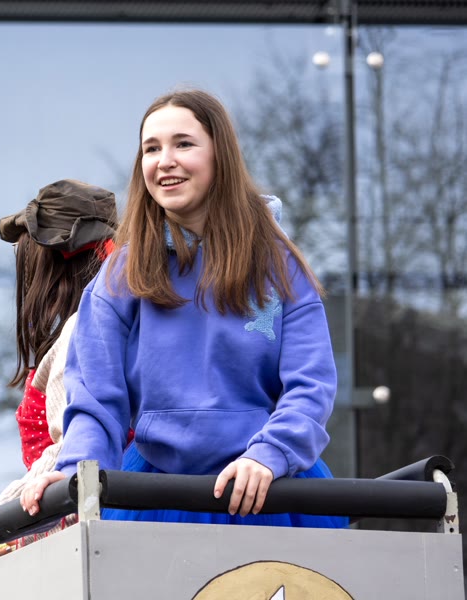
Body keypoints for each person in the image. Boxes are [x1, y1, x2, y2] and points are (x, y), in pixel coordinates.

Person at [20, 89, 347, 529]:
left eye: (183, 144)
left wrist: (271, 453)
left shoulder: (279, 265)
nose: (165, 161)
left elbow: (311, 385)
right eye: (151, 149)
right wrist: (75, 471)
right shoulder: (120, 276)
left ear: (220, 155)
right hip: (155, 496)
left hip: (269, 491)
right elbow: (96, 400)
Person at [0, 179, 118, 556]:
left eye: (29, 261)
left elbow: (66, 453)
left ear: (52, 265)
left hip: (86, 537)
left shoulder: (83, 330)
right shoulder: (121, 320)